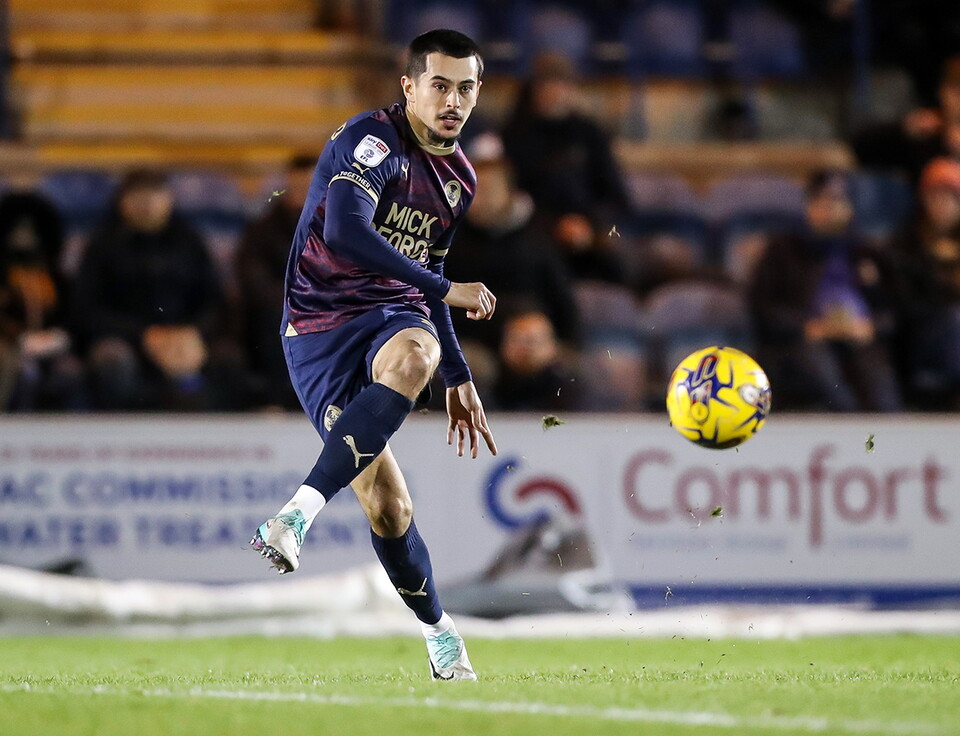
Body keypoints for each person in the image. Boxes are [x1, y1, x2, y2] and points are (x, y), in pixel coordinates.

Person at [250, 30, 497, 682]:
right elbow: (345, 229)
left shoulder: (458, 180)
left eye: (465, 87)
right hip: (317, 330)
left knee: (413, 360)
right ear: (409, 86)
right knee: (389, 508)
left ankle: (294, 517)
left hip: (393, 314)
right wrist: (448, 288)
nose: (452, 100)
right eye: (439, 85)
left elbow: (424, 274)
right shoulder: (371, 141)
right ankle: (438, 627)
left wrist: (457, 374)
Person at [72, 169, 235, 411]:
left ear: (169, 199)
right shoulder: (102, 245)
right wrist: (144, 335)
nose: (147, 204)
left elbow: (215, 301)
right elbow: (86, 309)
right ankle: (121, 436)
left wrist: (194, 331)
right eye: (138, 197)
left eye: (155, 196)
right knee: (112, 360)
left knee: (228, 359)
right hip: (126, 339)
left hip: (185, 338)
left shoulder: (190, 242)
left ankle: (219, 440)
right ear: (122, 202)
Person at [748, 169, 902, 412]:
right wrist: (805, 327)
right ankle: (848, 435)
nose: (829, 208)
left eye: (838, 201)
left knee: (882, 389)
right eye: (822, 201)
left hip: (857, 336)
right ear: (808, 206)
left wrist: (872, 326)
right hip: (804, 340)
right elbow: (762, 306)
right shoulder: (783, 249)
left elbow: (893, 306)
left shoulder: (866, 252)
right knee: (832, 385)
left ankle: (887, 440)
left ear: (850, 208)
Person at [236, 155, 317, 410]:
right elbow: (254, 280)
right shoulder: (262, 231)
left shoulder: (347, 226)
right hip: (283, 309)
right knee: (278, 319)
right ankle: (278, 401)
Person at [893, 158, 960, 407]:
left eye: (950, 198)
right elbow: (904, 304)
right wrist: (940, 276)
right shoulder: (905, 245)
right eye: (935, 196)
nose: (942, 205)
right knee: (954, 317)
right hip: (921, 338)